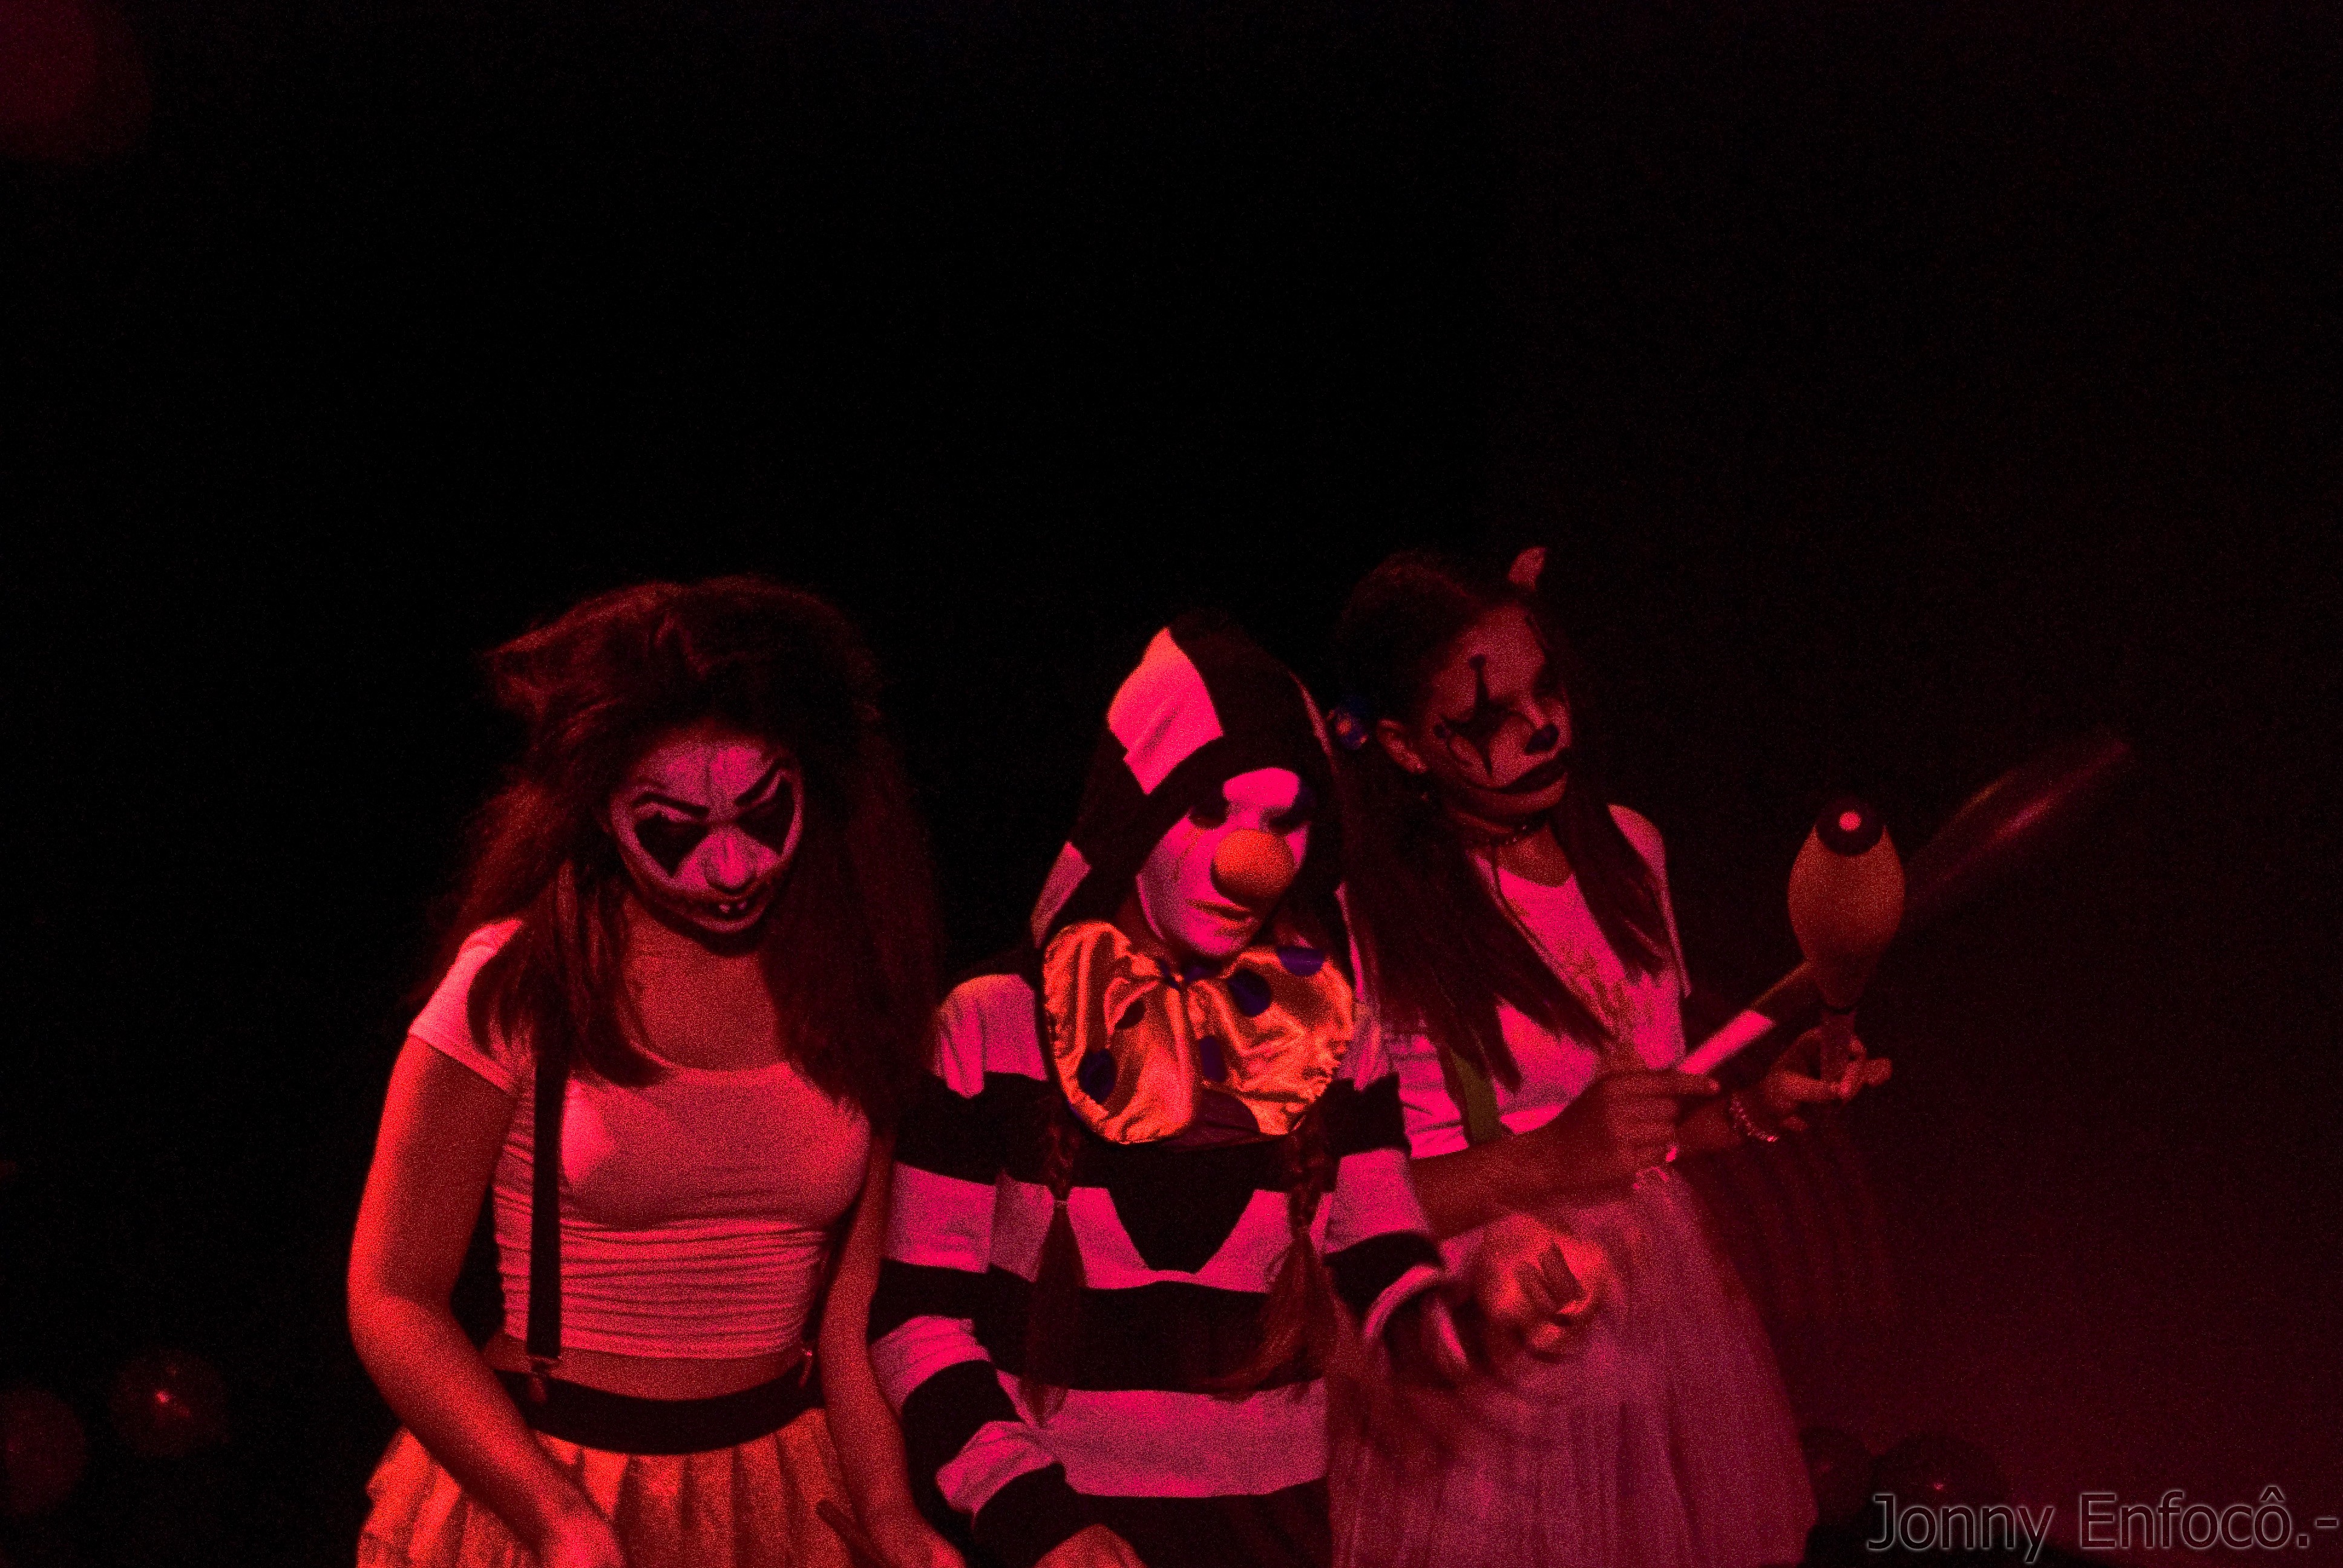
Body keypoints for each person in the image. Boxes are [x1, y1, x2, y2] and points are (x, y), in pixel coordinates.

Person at [868, 613, 1542, 1568]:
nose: (1249, 858)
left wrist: (1480, 1314)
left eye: (1282, 821)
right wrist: (1039, 1522)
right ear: (1135, 816)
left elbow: (1382, 1265)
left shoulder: (1332, 1030)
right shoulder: (993, 1025)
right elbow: (918, 1323)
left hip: (1274, 1541)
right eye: (1210, 811)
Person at [349, 578, 963, 1568]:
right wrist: (554, 1516)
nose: (732, 869)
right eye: (673, 829)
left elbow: (852, 1317)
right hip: (551, 1473)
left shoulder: (855, 986)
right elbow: (393, 1295)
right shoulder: (518, 987)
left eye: (764, 813)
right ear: (598, 813)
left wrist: (890, 1509)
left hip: (779, 1486)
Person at [1326, 549, 1892, 1568]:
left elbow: (1649, 1135)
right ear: (1406, 746)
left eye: (1548, 690)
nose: (1544, 725)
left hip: (1657, 1314)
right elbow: (1338, 1209)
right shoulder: (1372, 917)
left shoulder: (1630, 849)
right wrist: (1549, 1157)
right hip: (1494, 1342)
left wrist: (1756, 1107)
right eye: (1491, 715)